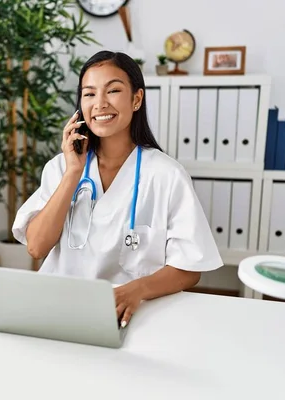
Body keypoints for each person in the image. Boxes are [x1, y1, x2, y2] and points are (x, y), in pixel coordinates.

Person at [11, 51, 223, 327]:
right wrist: (72, 173)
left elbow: (190, 269)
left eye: (112, 91)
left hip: (129, 313)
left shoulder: (166, 175)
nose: (100, 103)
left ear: (136, 99)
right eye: (89, 94)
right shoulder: (61, 167)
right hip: (59, 309)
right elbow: (37, 248)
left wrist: (137, 290)